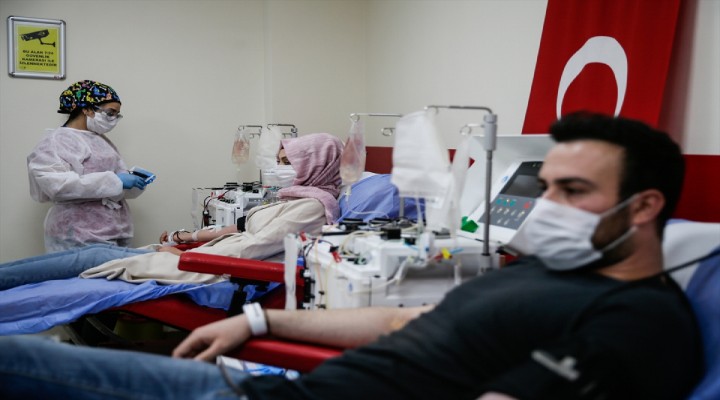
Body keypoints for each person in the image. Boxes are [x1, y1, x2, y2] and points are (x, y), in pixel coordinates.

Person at [0, 113, 702, 399]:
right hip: (267, 383)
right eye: (542, 187)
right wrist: (261, 324)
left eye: (572, 192)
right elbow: (400, 321)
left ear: (644, 206)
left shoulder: (636, 319)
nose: (543, 207)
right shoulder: (552, 268)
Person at [0, 132, 343, 290]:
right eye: (281, 161)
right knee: (91, 255)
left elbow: (253, 249)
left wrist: (185, 257)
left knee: (89, 259)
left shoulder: (312, 207)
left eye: (289, 163)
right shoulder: (292, 199)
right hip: (200, 257)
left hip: (207, 269)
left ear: (316, 165)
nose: (280, 169)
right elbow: (240, 229)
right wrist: (185, 237)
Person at [27, 80, 150, 253]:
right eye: (110, 112)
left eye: (117, 114)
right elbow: (57, 186)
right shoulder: (56, 141)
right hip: (75, 234)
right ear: (87, 109)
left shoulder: (101, 140)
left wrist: (133, 181)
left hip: (115, 229)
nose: (114, 119)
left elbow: (114, 182)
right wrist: (115, 180)